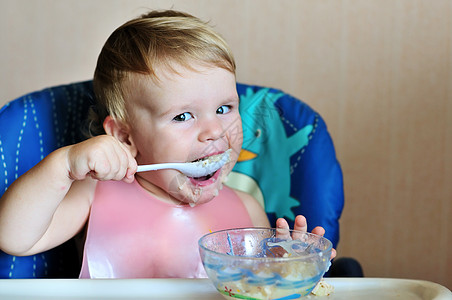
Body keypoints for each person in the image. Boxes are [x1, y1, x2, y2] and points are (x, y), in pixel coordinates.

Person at [0, 10, 334, 278]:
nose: (214, 131)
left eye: (223, 109)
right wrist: (64, 165)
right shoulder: (95, 194)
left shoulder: (247, 209)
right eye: (183, 116)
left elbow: (257, 285)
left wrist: (286, 266)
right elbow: (13, 237)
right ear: (125, 137)